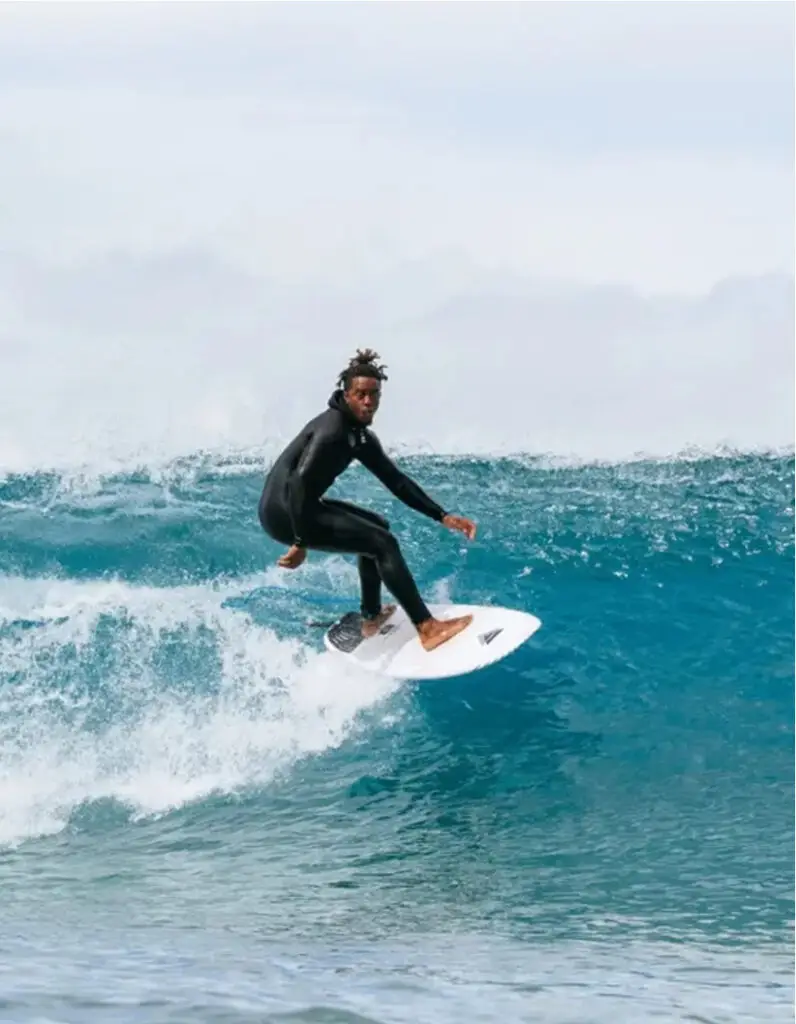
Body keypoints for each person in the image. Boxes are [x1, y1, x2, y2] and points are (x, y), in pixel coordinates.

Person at [258, 348, 477, 652]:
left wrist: (442, 515)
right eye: (361, 394)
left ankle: (371, 617)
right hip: (285, 512)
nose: (368, 401)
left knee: (377, 527)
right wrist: (300, 541)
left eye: (374, 394)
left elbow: (396, 480)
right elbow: (298, 484)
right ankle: (427, 628)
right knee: (382, 543)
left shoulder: (357, 436)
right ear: (346, 394)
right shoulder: (333, 430)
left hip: (298, 506)